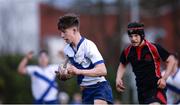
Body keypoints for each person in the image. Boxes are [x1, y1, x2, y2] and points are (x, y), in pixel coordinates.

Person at [57, 13, 113, 104]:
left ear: (74, 30)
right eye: (61, 32)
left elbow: (103, 70)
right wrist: (63, 74)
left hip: (100, 88)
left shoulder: (88, 46)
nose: (62, 35)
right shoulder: (67, 49)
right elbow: (70, 71)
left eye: (64, 32)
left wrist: (78, 71)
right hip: (86, 91)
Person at [116, 22, 176, 104]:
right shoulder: (127, 51)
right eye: (131, 36)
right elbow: (122, 64)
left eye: (136, 36)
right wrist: (118, 78)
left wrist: (164, 79)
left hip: (156, 88)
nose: (133, 39)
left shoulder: (153, 48)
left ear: (142, 36)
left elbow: (171, 60)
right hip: (141, 91)